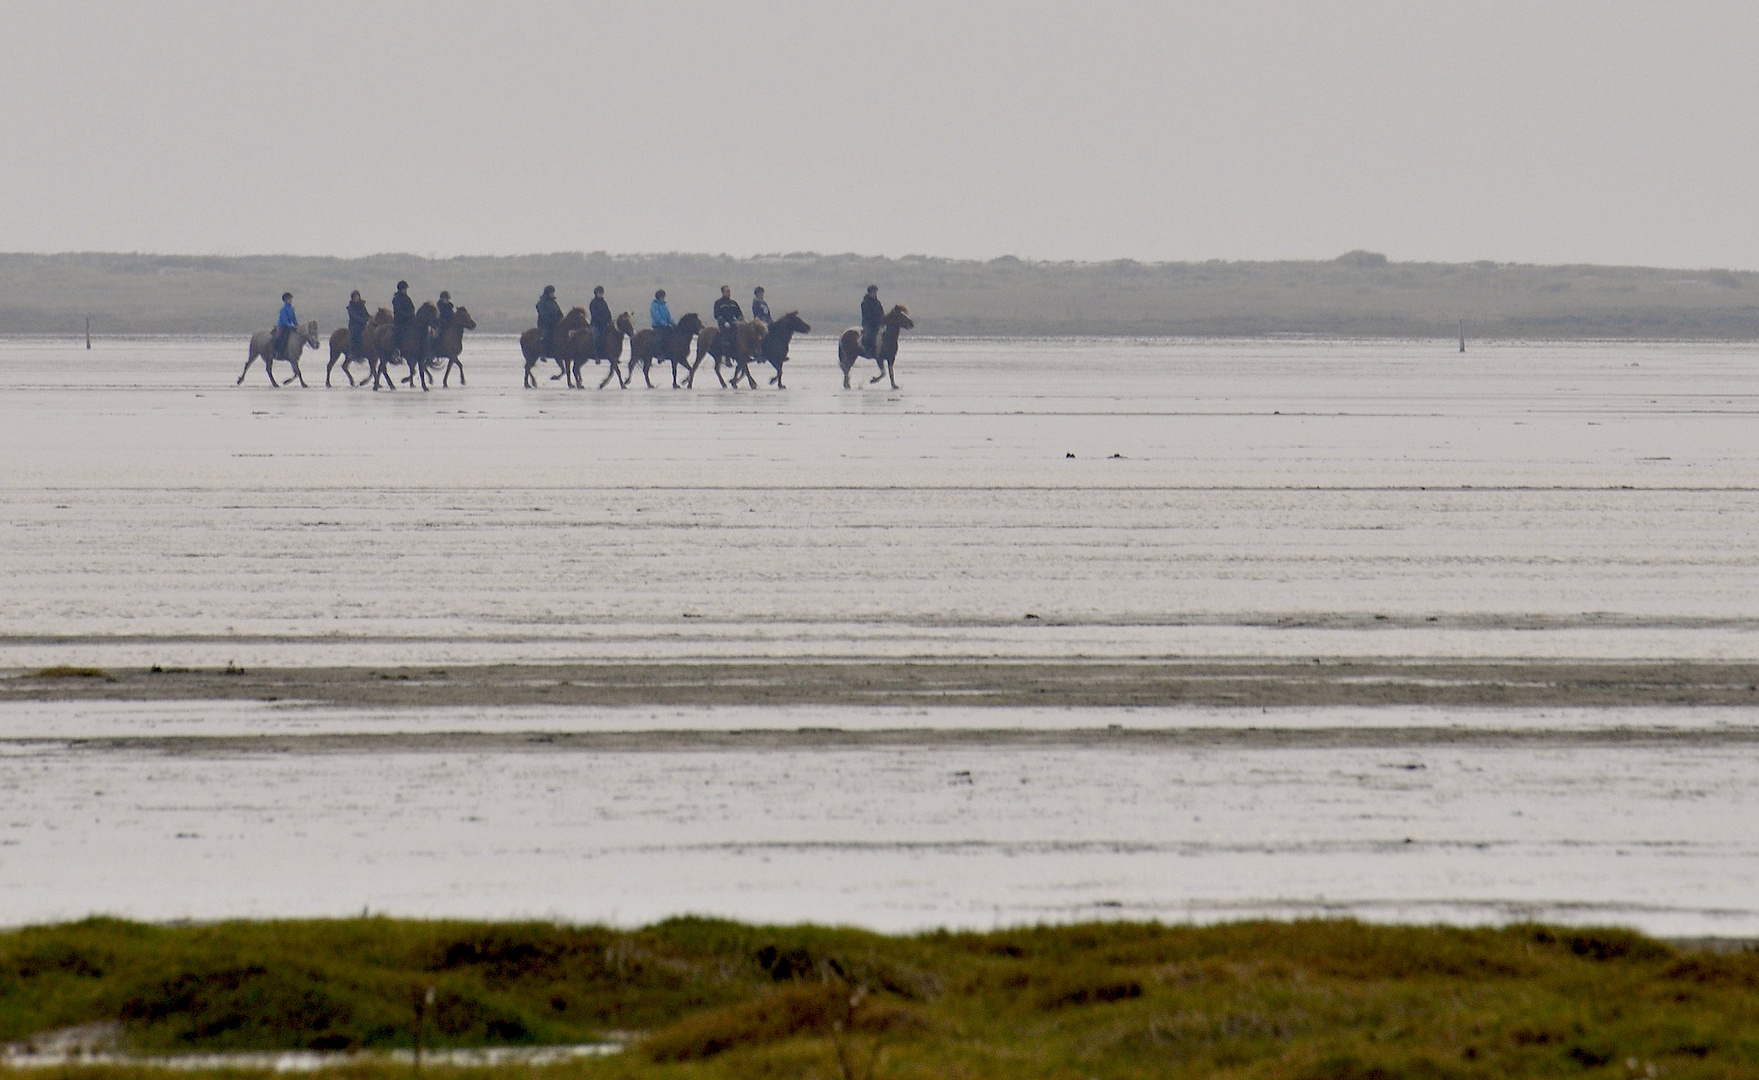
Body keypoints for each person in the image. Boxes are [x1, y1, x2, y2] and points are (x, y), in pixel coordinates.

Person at [712, 285, 743, 359]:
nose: (729, 293)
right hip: (724, 325)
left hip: (734, 323)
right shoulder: (718, 303)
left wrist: (741, 321)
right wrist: (724, 322)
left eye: (729, 291)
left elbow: (739, 314)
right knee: (727, 338)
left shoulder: (733, 303)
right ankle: (727, 357)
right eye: (727, 291)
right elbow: (717, 315)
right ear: (723, 292)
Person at [536, 285, 563, 356]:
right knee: (546, 335)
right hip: (545, 324)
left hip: (555, 323)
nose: (553, 294)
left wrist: (561, 320)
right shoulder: (541, 303)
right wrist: (551, 322)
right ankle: (543, 353)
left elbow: (559, 313)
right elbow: (543, 315)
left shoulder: (554, 303)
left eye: (553, 292)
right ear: (547, 293)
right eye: (551, 293)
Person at [588, 286, 613, 357]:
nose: (601, 294)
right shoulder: (593, 303)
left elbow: (608, 312)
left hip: (604, 324)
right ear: (596, 293)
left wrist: (609, 319)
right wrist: (602, 320)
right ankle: (596, 354)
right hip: (596, 325)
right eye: (599, 293)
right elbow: (594, 315)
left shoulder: (604, 303)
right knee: (596, 337)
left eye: (602, 293)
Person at [859, 285, 883, 358]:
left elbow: (881, 312)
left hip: (878, 324)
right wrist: (876, 321)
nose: (875, 294)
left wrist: (882, 320)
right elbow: (868, 315)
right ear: (869, 293)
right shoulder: (865, 303)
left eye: (876, 292)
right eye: (873, 292)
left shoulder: (878, 302)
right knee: (869, 335)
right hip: (868, 324)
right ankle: (867, 351)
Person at [272, 292, 298, 360]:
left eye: (291, 299)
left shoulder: (292, 309)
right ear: (286, 300)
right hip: (282, 326)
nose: (291, 300)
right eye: (290, 299)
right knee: (280, 338)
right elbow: (284, 320)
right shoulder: (283, 309)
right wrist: (290, 326)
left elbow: (294, 319)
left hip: (289, 327)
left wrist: (297, 325)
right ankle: (275, 351)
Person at [346, 290, 370, 357]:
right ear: (352, 298)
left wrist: (370, 318)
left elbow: (366, 314)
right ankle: (352, 351)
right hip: (354, 324)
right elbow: (354, 316)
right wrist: (363, 320)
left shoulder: (362, 305)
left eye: (357, 296)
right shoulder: (350, 307)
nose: (356, 298)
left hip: (363, 323)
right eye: (354, 297)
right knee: (356, 334)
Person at [391, 281, 415, 347]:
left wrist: (412, 314)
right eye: (404, 289)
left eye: (406, 289)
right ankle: (396, 349)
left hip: (409, 320)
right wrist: (407, 315)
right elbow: (399, 311)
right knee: (398, 333)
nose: (405, 290)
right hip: (399, 321)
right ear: (401, 289)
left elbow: (412, 307)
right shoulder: (396, 299)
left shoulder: (407, 298)